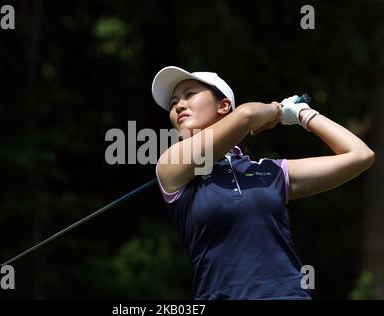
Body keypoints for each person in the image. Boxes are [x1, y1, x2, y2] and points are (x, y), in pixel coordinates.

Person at [151, 66, 375, 300]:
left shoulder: (269, 171)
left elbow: (360, 156)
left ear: (223, 106)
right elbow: (247, 115)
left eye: (189, 94)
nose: (179, 105)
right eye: (173, 103)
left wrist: (301, 114)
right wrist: (276, 111)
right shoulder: (171, 166)